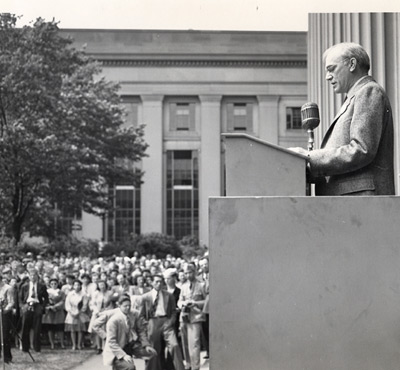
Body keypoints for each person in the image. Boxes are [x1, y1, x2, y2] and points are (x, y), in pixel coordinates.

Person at [290, 42, 395, 196]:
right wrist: (303, 166)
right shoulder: (354, 97)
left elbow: (361, 150)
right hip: (349, 201)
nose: (327, 77)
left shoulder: (368, 91)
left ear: (352, 64)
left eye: (331, 69)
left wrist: (308, 157)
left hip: (360, 201)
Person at [140, 274, 185, 370]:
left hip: (166, 321)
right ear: (151, 282)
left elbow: (174, 311)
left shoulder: (168, 295)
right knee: (155, 350)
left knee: (174, 345)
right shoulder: (145, 297)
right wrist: (147, 324)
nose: (159, 284)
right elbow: (141, 315)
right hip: (153, 322)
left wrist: (171, 321)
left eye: (160, 281)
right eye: (156, 281)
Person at [101, 295, 157, 370]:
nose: (128, 308)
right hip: (117, 351)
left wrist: (146, 345)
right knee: (130, 367)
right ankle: (118, 365)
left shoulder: (134, 314)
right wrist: (123, 355)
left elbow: (141, 331)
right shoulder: (113, 321)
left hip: (131, 346)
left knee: (152, 354)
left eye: (129, 306)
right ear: (119, 306)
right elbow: (112, 342)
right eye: (125, 306)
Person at [177, 264, 207, 370]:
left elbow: (207, 301)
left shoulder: (202, 285)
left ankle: (195, 367)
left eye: (190, 272)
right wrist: (183, 304)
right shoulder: (183, 286)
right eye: (186, 273)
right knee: (185, 342)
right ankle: (188, 364)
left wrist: (195, 303)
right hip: (184, 316)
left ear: (194, 272)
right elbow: (179, 301)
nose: (188, 275)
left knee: (194, 343)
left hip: (196, 317)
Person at [19, 268, 49, 352]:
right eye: (31, 275)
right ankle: (25, 348)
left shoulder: (41, 286)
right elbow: (20, 298)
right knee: (25, 327)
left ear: (37, 276)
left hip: (37, 305)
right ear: (28, 276)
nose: (32, 277)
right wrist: (23, 306)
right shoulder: (24, 286)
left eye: (34, 275)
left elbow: (46, 298)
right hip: (27, 305)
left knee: (37, 328)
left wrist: (42, 306)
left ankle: (37, 348)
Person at [64, 279, 90, 350]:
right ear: (73, 286)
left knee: (80, 329)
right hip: (71, 313)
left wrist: (79, 312)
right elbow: (67, 304)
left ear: (80, 286)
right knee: (73, 330)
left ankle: (79, 344)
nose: (77, 286)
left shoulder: (83, 294)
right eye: (75, 285)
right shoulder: (70, 294)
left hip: (80, 313)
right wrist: (71, 312)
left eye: (78, 285)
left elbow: (85, 305)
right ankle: (74, 345)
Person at [42, 278, 66, 349]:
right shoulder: (47, 292)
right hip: (49, 312)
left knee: (60, 328)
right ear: (49, 284)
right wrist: (49, 306)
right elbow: (44, 301)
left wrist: (55, 306)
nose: (53, 285)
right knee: (50, 329)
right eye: (52, 284)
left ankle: (62, 343)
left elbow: (63, 301)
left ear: (57, 284)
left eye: (55, 284)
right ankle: (52, 344)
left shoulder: (61, 292)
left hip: (58, 312)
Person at [0, 273, 15, 364]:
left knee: (5, 336)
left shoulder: (8, 288)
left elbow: (11, 302)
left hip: (5, 314)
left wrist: (5, 309)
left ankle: (7, 357)